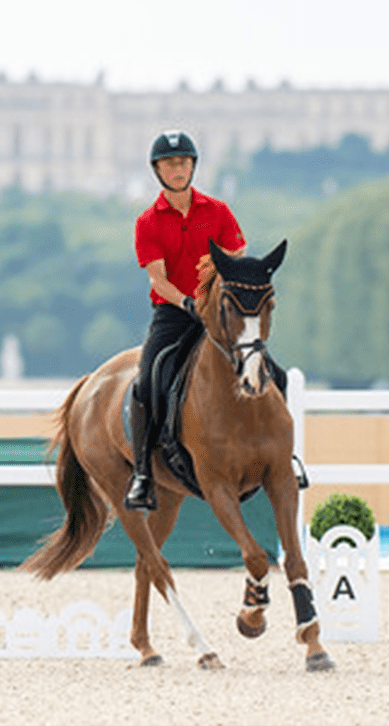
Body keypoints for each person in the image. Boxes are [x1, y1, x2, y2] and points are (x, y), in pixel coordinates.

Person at [126, 130, 247, 511]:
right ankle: (143, 473)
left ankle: (284, 457)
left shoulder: (219, 211)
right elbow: (157, 279)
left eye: (183, 162)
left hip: (216, 309)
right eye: (169, 164)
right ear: (158, 170)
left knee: (262, 362)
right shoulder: (148, 221)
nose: (177, 170)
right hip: (174, 314)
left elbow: (236, 257)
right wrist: (188, 302)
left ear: (193, 166)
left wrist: (213, 295)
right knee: (147, 380)